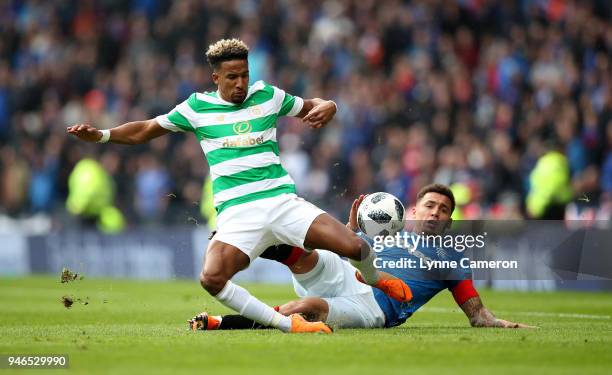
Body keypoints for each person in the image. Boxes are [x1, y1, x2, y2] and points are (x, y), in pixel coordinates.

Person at [67, 38, 410, 334]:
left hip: (281, 202)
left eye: (245, 75)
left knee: (356, 248)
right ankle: (289, 325)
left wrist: (330, 105)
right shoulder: (197, 107)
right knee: (211, 279)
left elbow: (314, 105)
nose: (241, 84)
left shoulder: (268, 96)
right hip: (238, 213)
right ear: (215, 77)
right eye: (232, 77)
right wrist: (102, 135)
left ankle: (374, 278)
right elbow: (145, 129)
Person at [190, 184, 535, 330]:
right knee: (304, 256)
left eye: (443, 210)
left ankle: (221, 323)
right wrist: (349, 227)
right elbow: (348, 247)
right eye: (430, 205)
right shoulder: (385, 231)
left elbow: (476, 313)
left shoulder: (452, 261)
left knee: (308, 307)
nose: (435, 213)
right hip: (346, 274)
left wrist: (496, 322)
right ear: (414, 210)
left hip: (375, 308)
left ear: (449, 219)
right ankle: (243, 241)